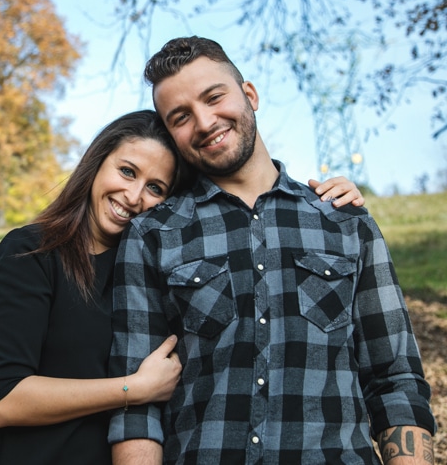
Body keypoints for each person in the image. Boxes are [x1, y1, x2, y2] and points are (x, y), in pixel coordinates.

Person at [107, 37, 436, 464]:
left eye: (214, 97)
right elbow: (137, 404)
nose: (205, 122)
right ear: (171, 134)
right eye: (181, 117)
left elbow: (395, 379)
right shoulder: (153, 234)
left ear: (250, 95)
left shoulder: (345, 221)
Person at [0, 109, 366, 464]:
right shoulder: (31, 252)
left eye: (156, 188)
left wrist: (328, 200)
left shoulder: (163, 264)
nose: (133, 197)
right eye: (127, 172)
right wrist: (133, 388)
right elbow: (5, 399)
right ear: (96, 166)